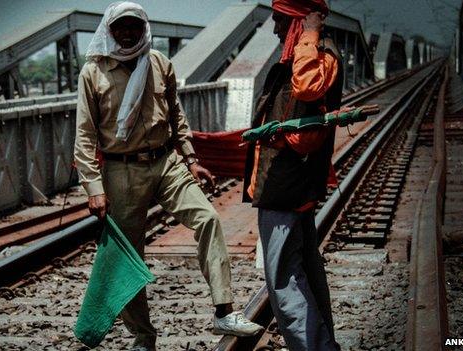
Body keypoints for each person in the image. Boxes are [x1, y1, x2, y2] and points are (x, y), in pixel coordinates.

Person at [73, 2, 263, 350]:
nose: (128, 33)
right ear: (110, 30)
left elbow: (176, 115)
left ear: (143, 28)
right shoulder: (94, 72)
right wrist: (94, 187)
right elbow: (84, 137)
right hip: (121, 168)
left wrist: (191, 159)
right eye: (121, 27)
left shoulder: (159, 63)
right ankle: (143, 339)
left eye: (134, 26)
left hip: (165, 163)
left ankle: (224, 309)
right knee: (128, 255)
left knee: (207, 219)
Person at [242, 0, 344, 350]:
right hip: (286, 183)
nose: (275, 30)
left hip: (288, 185)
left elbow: (307, 88)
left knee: (283, 279)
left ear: (301, 20)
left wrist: (310, 33)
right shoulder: (303, 54)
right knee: (305, 272)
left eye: (282, 21)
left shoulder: (318, 54)